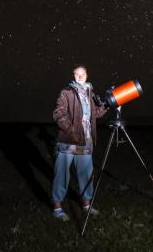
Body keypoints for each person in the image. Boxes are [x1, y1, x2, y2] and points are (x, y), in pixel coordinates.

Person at [51, 65, 108, 221]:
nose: (80, 77)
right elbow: (58, 113)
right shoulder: (66, 93)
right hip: (68, 142)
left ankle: (86, 206)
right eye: (77, 74)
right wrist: (71, 131)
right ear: (73, 76)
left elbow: (95, 113)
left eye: (82, 74)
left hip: (85, 142)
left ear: (87, 75)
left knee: (86, 175)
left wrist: (107, 105)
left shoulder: (90, 93)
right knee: (61, 175)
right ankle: (57, 209)